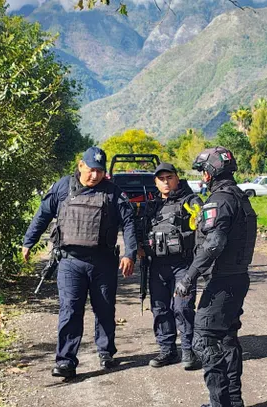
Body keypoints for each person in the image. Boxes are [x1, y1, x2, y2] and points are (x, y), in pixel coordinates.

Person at [22, 146, 137, 379]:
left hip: (103, 262)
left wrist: (130, 253)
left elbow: (129, 222)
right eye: (91, 170)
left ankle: (106, 352)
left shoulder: (113, 192)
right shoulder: (63, 187)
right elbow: (43, 214)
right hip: (70, 262)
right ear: (80, 165)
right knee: (70, 311)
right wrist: (29, 241)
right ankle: (65, 361)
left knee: (104, 309)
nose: (95, 175)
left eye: (100, 171)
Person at [174, 147, 257, 407]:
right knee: (227, 338)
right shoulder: (239, 197)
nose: (202, 177)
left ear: (210, 172)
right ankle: (232, 400)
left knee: (204, 339)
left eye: (203, 172)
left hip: (222, 281)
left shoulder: (220, 200)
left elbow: (214, 243)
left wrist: (189, 276)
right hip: (237, 278)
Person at [146, 163, 204, 370]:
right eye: (161, 179)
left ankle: (189, 351)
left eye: (169, 177)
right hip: (158, 266)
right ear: (155, 182)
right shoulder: (152, 206)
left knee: (183, 307)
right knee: (160, 308)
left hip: (184, 264)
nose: (165, 182)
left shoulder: (190, 201)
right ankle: (167, 350)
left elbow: (204, 224)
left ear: (177, 178)